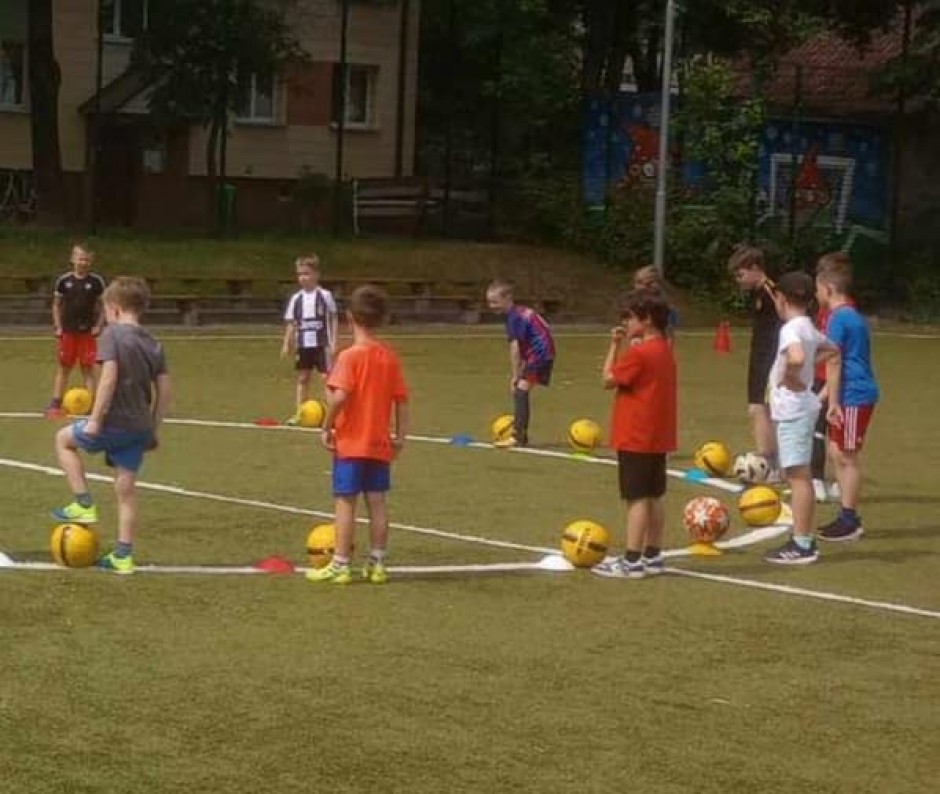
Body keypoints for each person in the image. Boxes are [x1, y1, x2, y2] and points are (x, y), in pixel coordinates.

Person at [51, 276, 172, 574]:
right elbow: (165, 391)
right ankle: (123, 556)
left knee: (63, 440)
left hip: (112, 422)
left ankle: (83, 503)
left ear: (115, 308)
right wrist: (153, 430)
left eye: (104, 310)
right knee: (126, 490)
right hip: (139, 427)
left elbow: (108, 379)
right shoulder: (154, 343)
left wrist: (95, 420)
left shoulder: (112, 335)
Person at [307, 285, 409, 585]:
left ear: (350, 318)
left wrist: (327, 425)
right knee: (377, 502)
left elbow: (339, 397)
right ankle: (377, 563)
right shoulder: (389, 357)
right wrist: (401, 437)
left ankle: (340, 563)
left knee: (346, 502)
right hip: (379, 442)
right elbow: (402, 400)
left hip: (351, 443)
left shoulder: (349, 357)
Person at [593, 290, 677, 579]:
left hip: (636, 434)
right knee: (654, 495)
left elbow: (608, 379)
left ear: (647, 319)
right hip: (657, 434)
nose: (625, 323)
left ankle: (632, 560)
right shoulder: (664, 348)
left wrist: (614, 345)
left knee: (636, 497)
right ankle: (653, 554)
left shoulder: (640, 353)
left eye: (629, 317)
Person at [763, 271, 840, 566]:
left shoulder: (791, 329)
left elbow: (796, 357)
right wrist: (805, 370)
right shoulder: (808, 326)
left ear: (781, 299)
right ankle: (802, 538)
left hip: (794, 410)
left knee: (798, 477)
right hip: (801, 408)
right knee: (799, 475)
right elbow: (832, 350)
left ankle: (803, 543)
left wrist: (791, 376)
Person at [815, 253, 879, 542]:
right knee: (836, 452)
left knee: (846, 456)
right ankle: (845, 514)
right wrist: (824, 395)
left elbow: (834, 361)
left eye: (818, 289)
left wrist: (832, 402)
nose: (816, 295)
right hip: (848, 392)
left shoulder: (839, 318)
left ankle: (850, 520)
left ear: (828, 288)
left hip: (854, 395)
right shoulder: (849, 316)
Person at [728, 245, 780, 476]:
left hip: (770, 357)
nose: (738, 280)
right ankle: (767, 460)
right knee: (757, 408)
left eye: (741, 275)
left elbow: (787, 317)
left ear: (756, 268)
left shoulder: (770, 290)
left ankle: (771, 462)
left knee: (762, 408)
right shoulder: (758, 292)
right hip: (759, 357)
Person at [485, 280, 556, 448]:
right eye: (489, 302)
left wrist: (515, 375)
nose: (492, 306)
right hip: (543, 353)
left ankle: (518, 436)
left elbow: (515, 347)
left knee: (521, 390)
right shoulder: (520, 313)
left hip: (540, 354)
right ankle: (520, 435)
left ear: (507, 298)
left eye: (495, 302)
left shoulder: (514, 317)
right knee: (522, 390)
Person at [810, 255, 854, 502]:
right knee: (817, 428)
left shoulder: (841, 312)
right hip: (821, 374)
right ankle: (819, 479)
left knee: (828, 431)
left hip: (832, 378)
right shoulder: (826, 309)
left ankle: (827, 481)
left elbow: (837, 354)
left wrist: (827, 388)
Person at [47, 243, 106, 417]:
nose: (83, 263)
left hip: (87, 333)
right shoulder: (64, 281)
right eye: (80, 259)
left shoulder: (96, 282)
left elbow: (103, 306)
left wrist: (99, 325)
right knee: (64, 367)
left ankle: (91, 405)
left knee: (88, 369)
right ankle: (56, 403)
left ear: (91, 261)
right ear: (73, 259)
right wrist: (58, 326)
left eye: (86, 260)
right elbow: (56, 305)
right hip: (68, 332)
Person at [280, 254, 338, 424]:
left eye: (306, 273)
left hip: (322, 344)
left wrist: (334, 341)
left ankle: (333, 418)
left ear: (316, 275)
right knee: (303, 378)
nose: (303, 278)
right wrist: (287, 343)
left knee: (326, 379)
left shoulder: (325, 295)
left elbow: (333, 318)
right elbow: (292, 323)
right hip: (304, 345)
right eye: (300, 274)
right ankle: (300, 413)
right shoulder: (296, 298)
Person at [633, 264, 679, 345]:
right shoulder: (633, 305)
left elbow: (669, 336)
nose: (638, 286)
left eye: (648, 283)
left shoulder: (666, 309)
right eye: (637, 282)